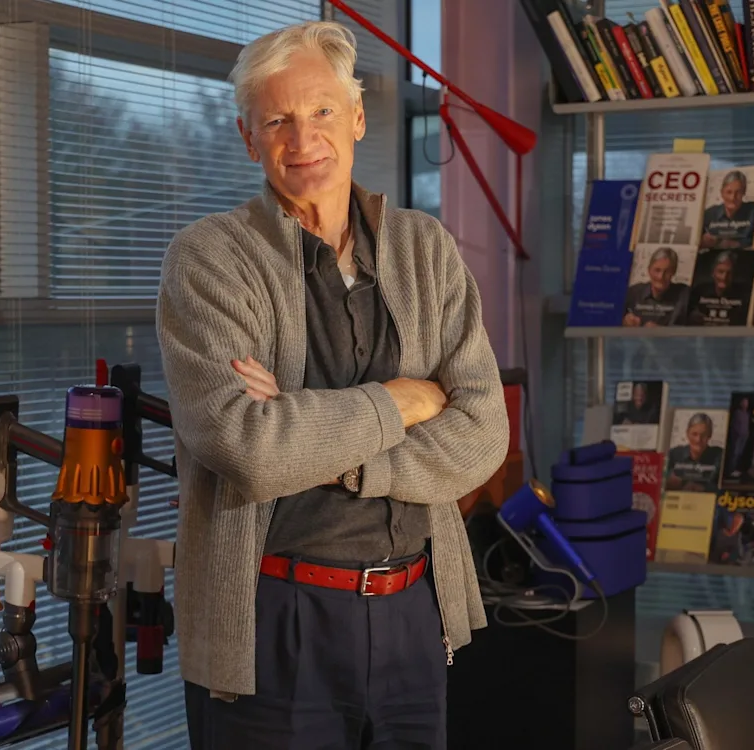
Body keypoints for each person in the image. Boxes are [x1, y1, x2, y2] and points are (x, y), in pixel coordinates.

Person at [155, 21, 509, 750]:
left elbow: (481, 437)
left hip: (414, 611)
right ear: (249, 140)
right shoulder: (210, 260)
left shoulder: (425, 250)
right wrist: (405, 402)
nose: (302, 137)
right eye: (276, 120)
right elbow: (248, 448)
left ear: (356, 119)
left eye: (320, 111)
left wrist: (318, 441)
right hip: (274, 622)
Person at [623, 246, 690, 327]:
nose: (660, 277)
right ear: (649, 270)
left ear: (674, 272)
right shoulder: (633, 293)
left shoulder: (684, 295)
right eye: (657, 270)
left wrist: (661, 333)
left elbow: (696, 331)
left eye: (667, 271)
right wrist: (625, 321)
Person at [687, 250, 751, 326]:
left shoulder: (745, 293)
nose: (724, 277)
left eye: (729, 273)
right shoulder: (699, 291)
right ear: (713, 273)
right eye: (720, 272)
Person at [700, 170, 754, 250]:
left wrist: (736, 244)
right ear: (722, 193)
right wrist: (703, 242)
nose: (732, 198)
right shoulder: (709, 214)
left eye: (738, 192)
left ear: (744, 192)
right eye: (728, 192)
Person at [665, 412, 724, 492]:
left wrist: (703, 488)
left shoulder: (719, 456)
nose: (698, 440)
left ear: (710, 435)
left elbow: (725, 489)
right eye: (694, 434)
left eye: (703, 435)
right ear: (687, 434)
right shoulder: (674, 454)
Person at [725, 397, 750, 478]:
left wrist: (747, 433)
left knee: (740, 454)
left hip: (744, 436)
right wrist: (736, 434)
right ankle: (731, 470)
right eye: (744, 402)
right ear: (741, 404)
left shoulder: (747, 414)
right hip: (737, 437)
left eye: (747, 402)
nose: (745, 404)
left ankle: (736, 470)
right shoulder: (737, 413)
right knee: (735, 453)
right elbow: (733, 425)